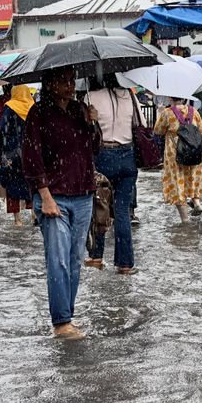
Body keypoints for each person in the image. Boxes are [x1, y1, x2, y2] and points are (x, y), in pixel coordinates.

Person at [22, 67, 99, 340]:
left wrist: (92, 124)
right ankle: (61, 322)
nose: (69, 85)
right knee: (58, 260)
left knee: (75, 259)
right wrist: (44, 196)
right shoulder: (38, 114)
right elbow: (31, 157)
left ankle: (68, 314)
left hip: (83, 193)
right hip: (54, 196)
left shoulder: (80, 111)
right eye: (63, 81)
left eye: (71, 80)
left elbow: (93, 150)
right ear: (50, 84)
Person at [85, 75, 138, 273]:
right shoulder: (130, 97)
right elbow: (138, 124)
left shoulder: (91, 97)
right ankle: (125, 264)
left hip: (103, 155)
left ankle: (96, 257)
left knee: (99, 207)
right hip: (128, 155)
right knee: (122, 212)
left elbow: (85, 132)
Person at [156, 97, 202, 224]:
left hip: (175, 154)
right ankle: (197, 202)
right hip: (193, 152)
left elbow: (158, 130)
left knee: (178, 182)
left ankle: (185, 220)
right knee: (192, 177)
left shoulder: (167, 113)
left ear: (170, 98)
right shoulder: (194, 111)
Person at [0, 85, 35, 226]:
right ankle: (34, 214)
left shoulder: (10, 107)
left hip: (13, 153)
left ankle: (18, 219)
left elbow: (2, 130)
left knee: (12, 183)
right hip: (30, 152)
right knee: (31, 181)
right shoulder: (33, 106)